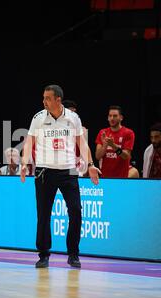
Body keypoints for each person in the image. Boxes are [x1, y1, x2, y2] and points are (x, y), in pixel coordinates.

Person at [21, 84, 101, 269]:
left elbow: (82, 143)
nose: (44, 102)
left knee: (76, 211)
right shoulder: (38, 118)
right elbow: (29, 142)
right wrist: (25, 162)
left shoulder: (73, 118)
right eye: (43, 98)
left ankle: (73, 254)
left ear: (58, 99)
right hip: (44, 171)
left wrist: (90, 165)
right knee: (43, 214)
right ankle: (43, 255)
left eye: (47, 98)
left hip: (68, 171)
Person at [95, 105, 135, 178]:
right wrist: (105, 145)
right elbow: (97, 156)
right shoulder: (102, 132)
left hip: (121, 178)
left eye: (115, 116)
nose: (112, 118)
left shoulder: (128, 133)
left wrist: (113, 145)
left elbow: (126, 156)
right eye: (110, 116)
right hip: (105, 177)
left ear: (121, 118)